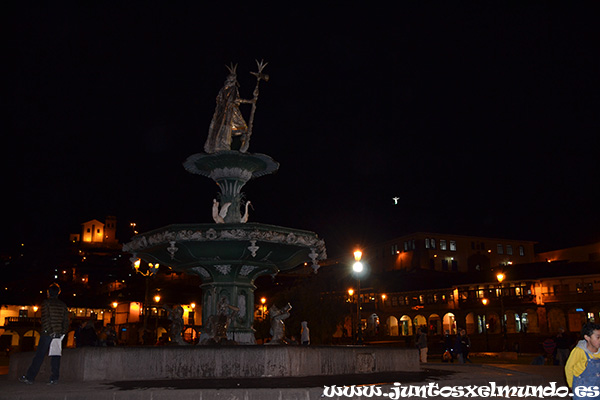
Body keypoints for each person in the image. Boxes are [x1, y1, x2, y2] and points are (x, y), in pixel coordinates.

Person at [20, 283, 69, 385]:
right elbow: (66, 321)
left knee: (39, 355)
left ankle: (30, 377)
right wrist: (62, 332)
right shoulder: (63, 305)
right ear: (58, 293)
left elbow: (45, 319)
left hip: (47, 334)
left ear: (48, 293)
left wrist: (50, 331)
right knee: (55, 356)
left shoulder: (46, 303)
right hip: (58, 334)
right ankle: (54, 378)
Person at [565, 322, 600, 399]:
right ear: (587, 337)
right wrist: (571, 385)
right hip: (582, 387)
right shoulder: (579, 351)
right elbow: (569, 367)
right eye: (598, 337)